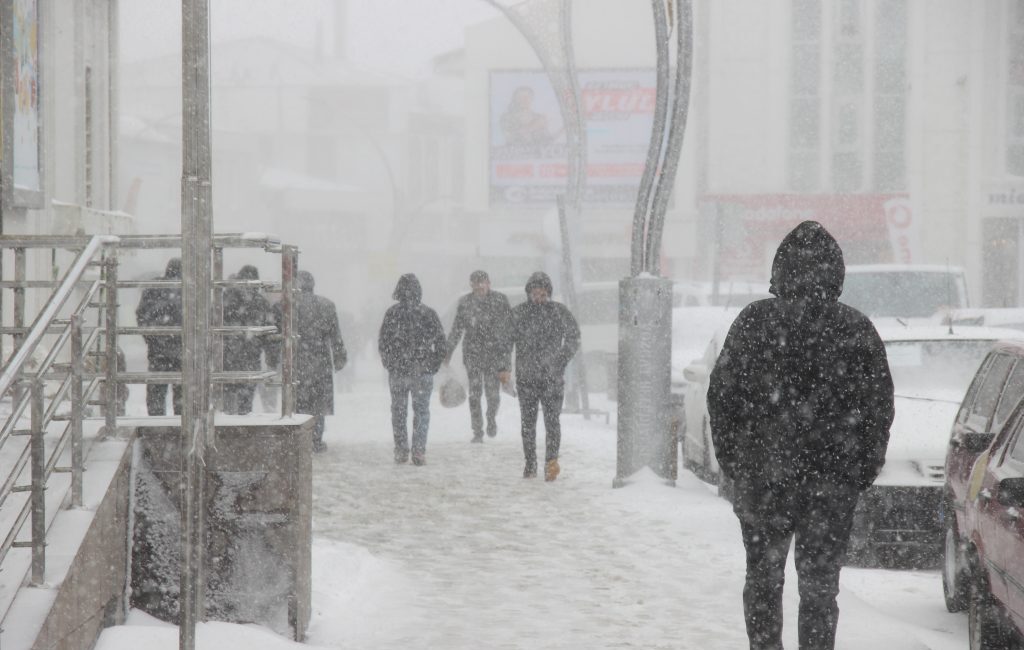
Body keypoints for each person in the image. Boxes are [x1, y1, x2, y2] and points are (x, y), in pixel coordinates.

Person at [706, 221, 895, 650]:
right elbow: (878, 407)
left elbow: (722, 397)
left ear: (780, 269)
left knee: (763, 579)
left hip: (764, 480)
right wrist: (859, 469)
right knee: (820, 591)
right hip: (830, 485)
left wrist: (737, 462)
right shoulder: (856, 329)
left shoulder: (754, 322)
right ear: (837, 273)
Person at [499, 271, 580, 481]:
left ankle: (551, 462)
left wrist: (559, 360)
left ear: (549, 294)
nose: (539, 298)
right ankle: (530, 463)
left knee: (552, 422)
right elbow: (505, 342)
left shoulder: (559, 312)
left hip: (552, 378)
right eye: (535, 294)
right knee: (528, 424)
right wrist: (504, 367)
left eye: (543, 294)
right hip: (527, 378)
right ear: (528, 293)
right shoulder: (518, 314)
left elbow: (574, 337)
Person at [270, 270, 346, 453]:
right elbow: (335, 336)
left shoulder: (285, 305)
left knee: (297, 402)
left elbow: (275, 335)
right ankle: (316, 439)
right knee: (318, 404)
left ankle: (298, 439)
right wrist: (339, 357)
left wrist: (273, 359)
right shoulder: (327, 305)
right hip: (320, 360)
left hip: (295, 359)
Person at [378, 273, 446, 466]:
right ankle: (418, 450)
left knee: (398, 411)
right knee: (422, 411)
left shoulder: (392, 313)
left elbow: (383, 343)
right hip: (421, 371)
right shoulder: (428, 313)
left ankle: (401, 449)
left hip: (399, 371)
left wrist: (390, 363)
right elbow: (441, 343)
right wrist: (432, 364)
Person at [445, 270, 513, 443]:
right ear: (471, 285)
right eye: (476, 283)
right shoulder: (465, 303)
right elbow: (456, 331)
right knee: (475, 394)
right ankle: (477, 430)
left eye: (483, 282)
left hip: (494, 355)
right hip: (473, 356)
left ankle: (491, 418)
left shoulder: (500, 300)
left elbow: (508, 330)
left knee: (493, 394)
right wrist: (446, 354)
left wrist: (505, 360)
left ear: (489, 283)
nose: (480, 286)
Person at [136, 257, 183, 416]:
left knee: (156, 390)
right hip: (183, 350)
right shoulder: (188, 290)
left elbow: (142, 315)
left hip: (158, 350)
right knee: (183, 392)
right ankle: (181, 423)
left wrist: (151, 338)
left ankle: (156, 424)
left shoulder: (154, 288)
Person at [222, 265, 270, 415]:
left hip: (227, 356)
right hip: (250, 356)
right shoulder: (261, 302)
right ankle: (241, 428)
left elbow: (214, 324)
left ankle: (226, 428)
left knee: (227, 398)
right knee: (245, 399)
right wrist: (270, 355)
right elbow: (268, 331)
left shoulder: (225, 299)